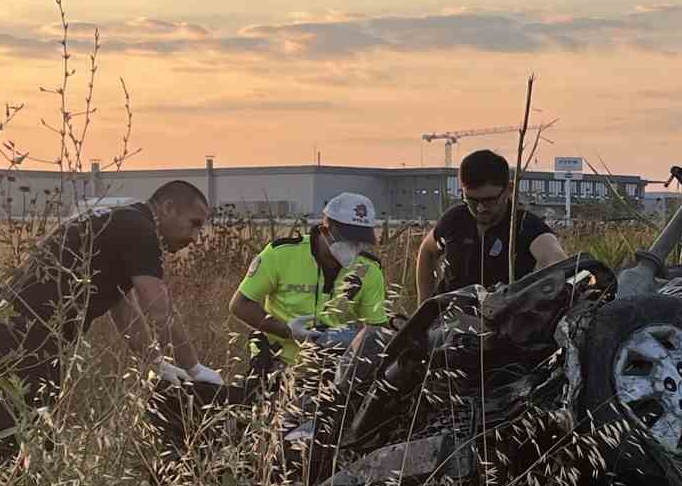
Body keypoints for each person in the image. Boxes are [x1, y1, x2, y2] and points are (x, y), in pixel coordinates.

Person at [0, 180, 218, 467]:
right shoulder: (140, 230)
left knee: (27, 444)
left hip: (17, 334)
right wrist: (194, 368)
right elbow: (159, 309)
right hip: (24, 336)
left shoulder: (121, 223)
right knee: (23, 448)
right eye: (193, 224)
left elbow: (125, 310)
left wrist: (155, 363)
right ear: (166, 208)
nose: (195, 236)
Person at [228, 192, 389, 383]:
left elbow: (377, 331)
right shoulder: (282, 254)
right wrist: (287, 331)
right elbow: (240, 305)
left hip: (335, 370)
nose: (353, 246)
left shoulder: (368, 269)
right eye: (348, 237)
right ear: (326, 228)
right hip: (278, 364)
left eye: (359, 240)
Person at [415, 149, 567, 303]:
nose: (480, 208)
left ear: (509, 189)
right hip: (451, 322)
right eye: (472, 200)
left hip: (503, 323)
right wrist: (423, 309)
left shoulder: (525, 226)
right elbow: (427, 251)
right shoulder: (454, 220)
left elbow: (556, 259)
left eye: (489, 200)